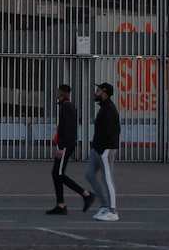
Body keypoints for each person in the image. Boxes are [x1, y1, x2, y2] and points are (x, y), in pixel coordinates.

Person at [46, 84, 94, 215]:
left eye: (57, 91)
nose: (56, 93)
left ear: (61, 93)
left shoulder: (66, 107)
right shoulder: (67, 106)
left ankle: (86, 194)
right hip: (66, 144)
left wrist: (61, 147)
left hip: (66, 145)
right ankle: (60, 205)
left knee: (59, 174)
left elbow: (67, 129)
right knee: (56, 173)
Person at [85, 82, 121, 221]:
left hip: (105, 150)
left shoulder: (110, 109)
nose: (96, 92)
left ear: (104, 93)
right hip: (97, 149)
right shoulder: (104, 108)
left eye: (98, 90)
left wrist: (102, 148)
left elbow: (113, 132)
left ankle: (112, 211)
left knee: (107, 179)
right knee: (89, 174)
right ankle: (104, 206)